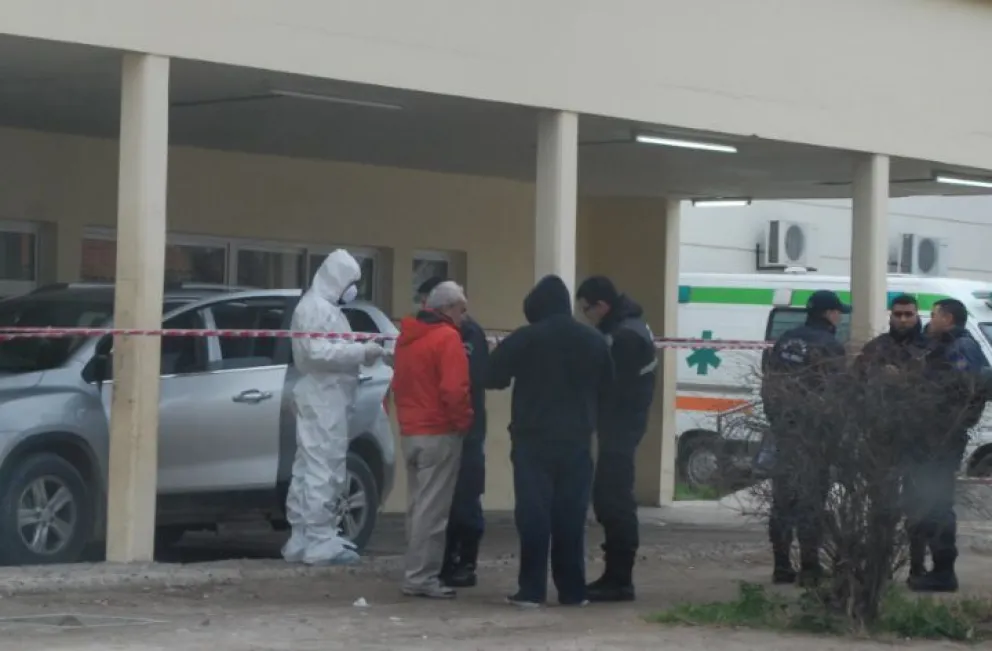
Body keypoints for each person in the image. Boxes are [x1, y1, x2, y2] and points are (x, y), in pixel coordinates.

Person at [487, 275, 613, 608]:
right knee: (571, 516)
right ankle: (572, 591)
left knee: (533, 515)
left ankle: (531, 590)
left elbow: (492, 376)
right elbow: (609, 387)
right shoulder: (593, 340)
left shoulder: (526, 338)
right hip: (577, 440)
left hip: (533, 440)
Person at [283, 249, 386, 566]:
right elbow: (317, 352)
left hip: (326, 395)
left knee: (309, 466)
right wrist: (361, 352)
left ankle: (303, 536)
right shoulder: (315, 308)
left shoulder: (321, 307)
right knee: (323, 467)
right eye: (351, 282)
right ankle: (319, 538)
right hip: (324, 396)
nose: (352, 290)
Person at [574, 276, 658, 602]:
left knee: (614, 499)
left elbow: (610, 384)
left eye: (587, 310)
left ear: (602, 306)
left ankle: (619, 579)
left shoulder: (623, 336)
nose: (586, 316)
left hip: (621, 427)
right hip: (623, 425)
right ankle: (615, 576)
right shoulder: (630, 326)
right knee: (611, 495)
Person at [760, 289, 848, 586]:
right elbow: (836, 395)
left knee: (783, 502)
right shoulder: (830, 345)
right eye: (838, 311)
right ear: (828, 313)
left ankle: (782, 566)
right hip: (814, 437)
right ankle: (810, 567)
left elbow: (769, 385)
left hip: (785, 432)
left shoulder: (786, 340)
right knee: (811, 502)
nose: (839, 316)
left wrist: (778, 421)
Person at [392, 281, 474, 599]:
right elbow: (454, 390)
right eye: (461, 309)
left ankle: (416, 571)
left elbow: (399, 382)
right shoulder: (447, 338)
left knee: (417, 506)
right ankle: (421, 576)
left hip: (411, 431)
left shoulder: (407, 339)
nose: (464, 316)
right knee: (432, 510)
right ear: (447, 308)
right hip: (439, 432)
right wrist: (463, 422)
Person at [906, 298, 990, 592]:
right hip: (933, 437)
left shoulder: (961, 348)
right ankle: (937, 569)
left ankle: (943, 571)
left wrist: (951, 422)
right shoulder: (944, 346)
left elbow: (969, 388)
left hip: (942, 439)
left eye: (935, 315)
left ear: (948, 318)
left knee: (938, 504)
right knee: (930, 503)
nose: (930, 320)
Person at [414, 277, 490, 589]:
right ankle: (443, 560)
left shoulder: (470, 334)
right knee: (437, 499)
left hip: (466, 425)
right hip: (437, 426)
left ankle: (465, 561)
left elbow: (466, 382)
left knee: (465, 497)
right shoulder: (428, 333)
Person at [853, 294, 931, 583]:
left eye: (908, 314)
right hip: (881, 438)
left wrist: (907, 380)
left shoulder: (929, 348)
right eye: (898, 314)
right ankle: (880, 564)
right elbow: (855, 385)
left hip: (918, 438)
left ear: (916, 315)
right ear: (890, 315)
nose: (902, 319)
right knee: (882, 506)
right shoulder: (876, 348)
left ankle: (917, 565)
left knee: (918, 505)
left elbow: (941, 389)